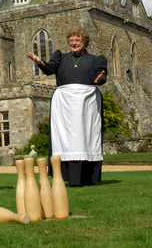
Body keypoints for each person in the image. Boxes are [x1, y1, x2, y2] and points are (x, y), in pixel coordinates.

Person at [27, 27, 107, 186]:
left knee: (86, 137)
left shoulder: (95, 59)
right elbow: (49, 69)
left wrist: (99, 78)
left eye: (77, 40)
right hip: (64, 104)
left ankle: (87, 178)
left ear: (84, 42)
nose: (74, 43)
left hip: (87, 102)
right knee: (66, 139)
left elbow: (101, 75)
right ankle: (66, 176)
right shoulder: (60, 57)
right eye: (71, 40)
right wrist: (39, 62)